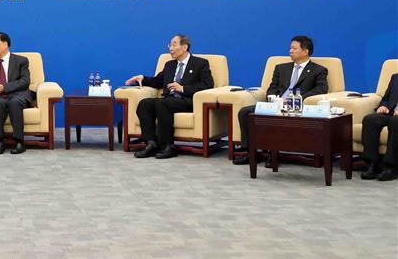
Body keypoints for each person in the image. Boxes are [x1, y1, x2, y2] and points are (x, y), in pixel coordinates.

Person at [233, 35, 328, 165]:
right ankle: (250, 153)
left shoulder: (319, 70)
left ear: (305, 51)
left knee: (278, 119)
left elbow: (321, 90)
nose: (290, 51)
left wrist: (295, 99)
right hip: (276, 104)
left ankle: (273, 155)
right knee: (245, 112)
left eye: (294, 48)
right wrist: (274, 99)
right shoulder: (281, 68)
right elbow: (272, 88)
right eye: (290, 48)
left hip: (296, 106)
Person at [124, 34, 213, 159]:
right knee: (145, 103)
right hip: (169, 100)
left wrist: (182, 88)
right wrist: (143, 79)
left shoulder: (200, 63)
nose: (170, 48)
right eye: (169, 45)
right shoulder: (169, 65)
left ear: (184, 47)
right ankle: (151, 143)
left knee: (162, 103)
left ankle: (168, 146)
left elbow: (208, 84)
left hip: (187, 100)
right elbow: (158, 81)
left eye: (174, 44)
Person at [360, 72, 398, 181]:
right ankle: (373, 164)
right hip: (390, 113)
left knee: (395, 121)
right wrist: (383, 106)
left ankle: (392, 166)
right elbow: (386, 98)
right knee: (370, 119)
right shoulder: (395, 77)